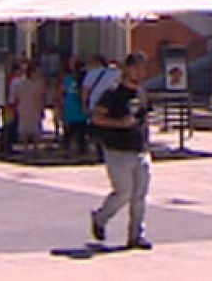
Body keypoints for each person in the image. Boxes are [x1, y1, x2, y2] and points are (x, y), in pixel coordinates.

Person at [89, 51, 153, 251]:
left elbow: (145, 118)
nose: (139, 73)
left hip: (139, 149)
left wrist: (147, 142)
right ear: (127, 69)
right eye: (136, 68)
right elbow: (97, 118)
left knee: (140, 194)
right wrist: (119, 123)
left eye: (142, 69)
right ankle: (100, 218)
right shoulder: (113, 93)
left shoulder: (142, 92)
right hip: (117, 150)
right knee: (124, 193)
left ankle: (136, 235)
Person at [8, 60, 47, 147]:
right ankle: (28, 148)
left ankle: (33, 148)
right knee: (27, 130)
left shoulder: (35, 84)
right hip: (26, 108)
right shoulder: (22, 83)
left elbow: (41, 97)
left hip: (32, 109)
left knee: (32, 129)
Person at [60, 58, 91, 157]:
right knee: (81, 131)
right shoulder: (85, 79)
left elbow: (62, 92)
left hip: (70, 107)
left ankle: (67, 149)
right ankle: (82, 150)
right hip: (81, 108)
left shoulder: (68, 79)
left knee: (70, 131)